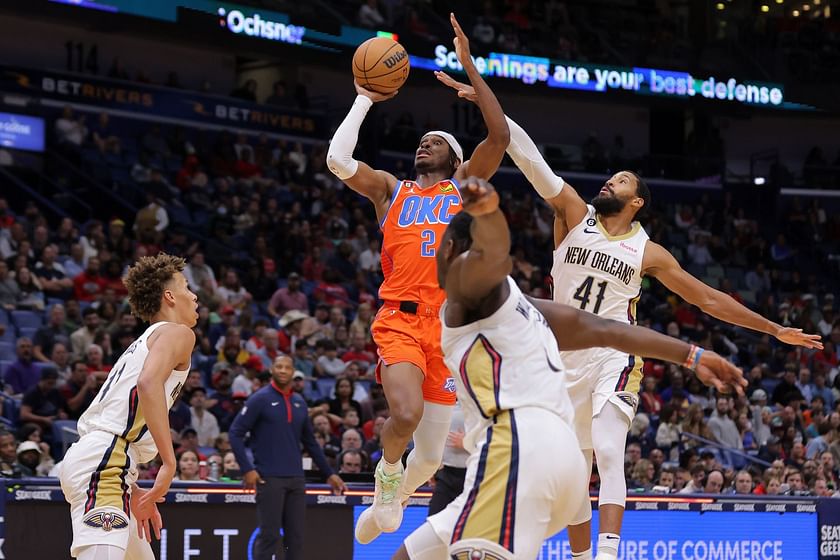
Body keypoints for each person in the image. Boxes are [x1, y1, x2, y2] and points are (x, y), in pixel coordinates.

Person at [437, 72, 822, 560]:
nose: (608, 181)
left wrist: (773, 328)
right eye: (609, 177)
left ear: (636, 201)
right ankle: (581, 557)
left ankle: (609, 551)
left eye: (619, 180)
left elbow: (707, 299)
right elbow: (529, 157)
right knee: (573, 473)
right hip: (558, 358)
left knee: (609, 448)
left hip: (612, 354)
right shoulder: (574, 215)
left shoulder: (648, 251)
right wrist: (492, 104)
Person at [393, 177, 745, 560]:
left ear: (448, 251)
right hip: (562, 464)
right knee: (414, 553)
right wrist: (691, 355)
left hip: (519, 453)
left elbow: (491, 255)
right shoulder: (525, 305)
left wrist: (489, 214)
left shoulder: (464, 299)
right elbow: (607, 330)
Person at [327, 14, 510, 542]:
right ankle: (387, 479)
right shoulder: (392, 189)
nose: (422, 145)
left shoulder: (466, 190)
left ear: (455, 159)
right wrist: (364, 97)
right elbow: (339, 159)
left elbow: (498, 134)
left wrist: (471, 67)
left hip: (449, 330)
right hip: (400, 320)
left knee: (432, 454)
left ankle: (397, 496)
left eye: (435, 141)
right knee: (404, 416)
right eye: (421, 141)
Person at [58, 253, 198, 560]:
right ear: (170, 296)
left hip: (110, 461)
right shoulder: (178, 333)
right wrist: (169, 462)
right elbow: (148, 385)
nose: (194, 295)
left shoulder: (146, 340)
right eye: (187, 287)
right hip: (107, 461)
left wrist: (132, 487)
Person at [229, 354, 346, 560]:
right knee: (269, 536)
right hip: (268, 477)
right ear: (272, 370)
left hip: (296, 479)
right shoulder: (259, 399)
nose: (283, 370)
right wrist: (247, 469)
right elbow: (235, 432)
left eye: (287, 367)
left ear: (293, 372)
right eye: (279, 366)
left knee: (296, 538)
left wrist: (329, 473)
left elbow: (310, 442)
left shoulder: (299, 402)